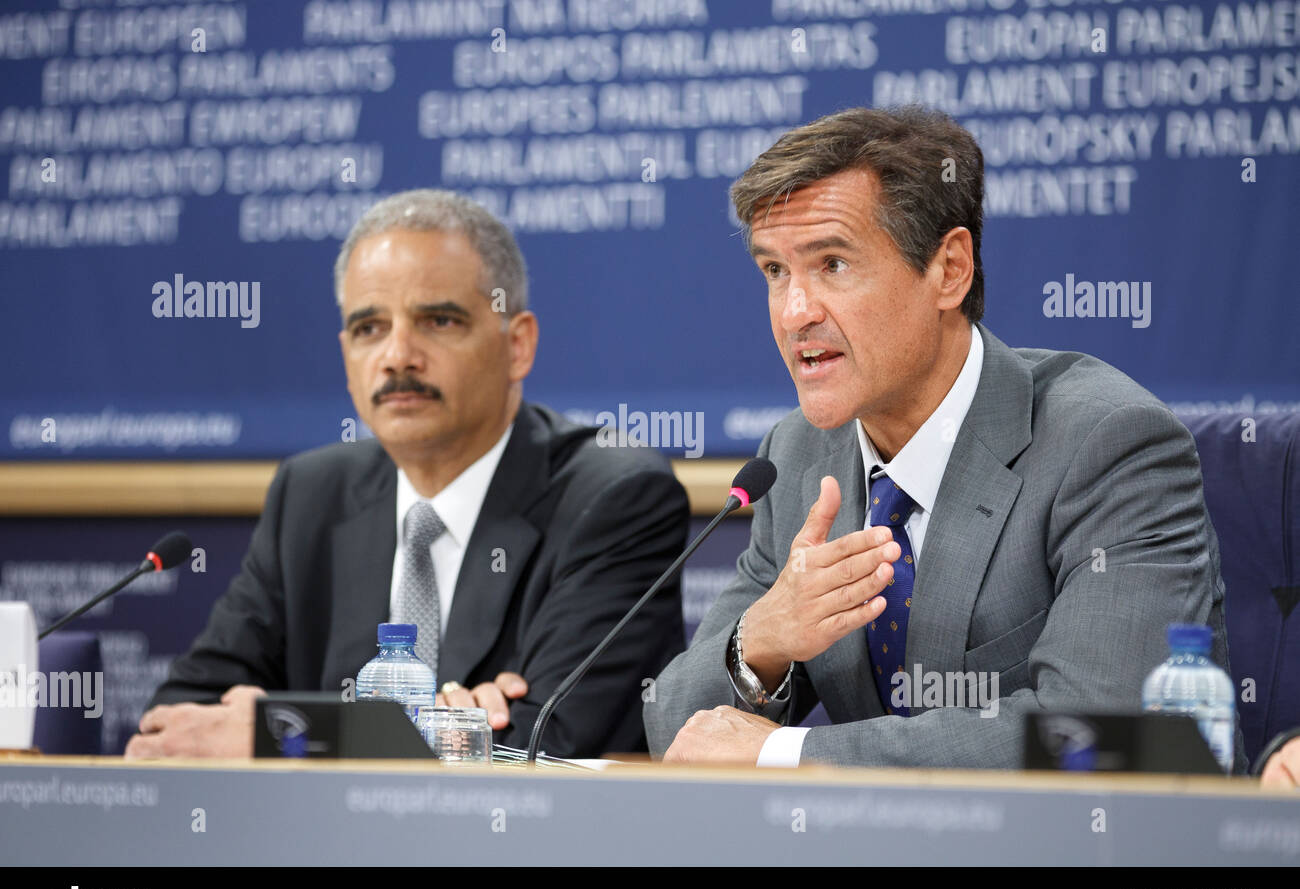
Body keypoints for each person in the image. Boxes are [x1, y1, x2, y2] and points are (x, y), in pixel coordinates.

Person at [644, 106, 1246, 772]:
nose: (795, 313)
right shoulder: (800, 458)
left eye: (834, 264)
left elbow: (1105, 733)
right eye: (775, 272)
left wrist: (788, 750)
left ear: (950, 269)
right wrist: (758, 643)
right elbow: (677, 729)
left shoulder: (1106, 444)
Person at [127, 189, 689, 759]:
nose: (398, 356)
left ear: (517, 346)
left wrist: (279, 734)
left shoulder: (613, 497)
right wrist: (445, 730)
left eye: (438, 320)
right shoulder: (312, 495)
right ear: (346, 354)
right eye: (369, 328)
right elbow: (179, 720)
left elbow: (549, 747)